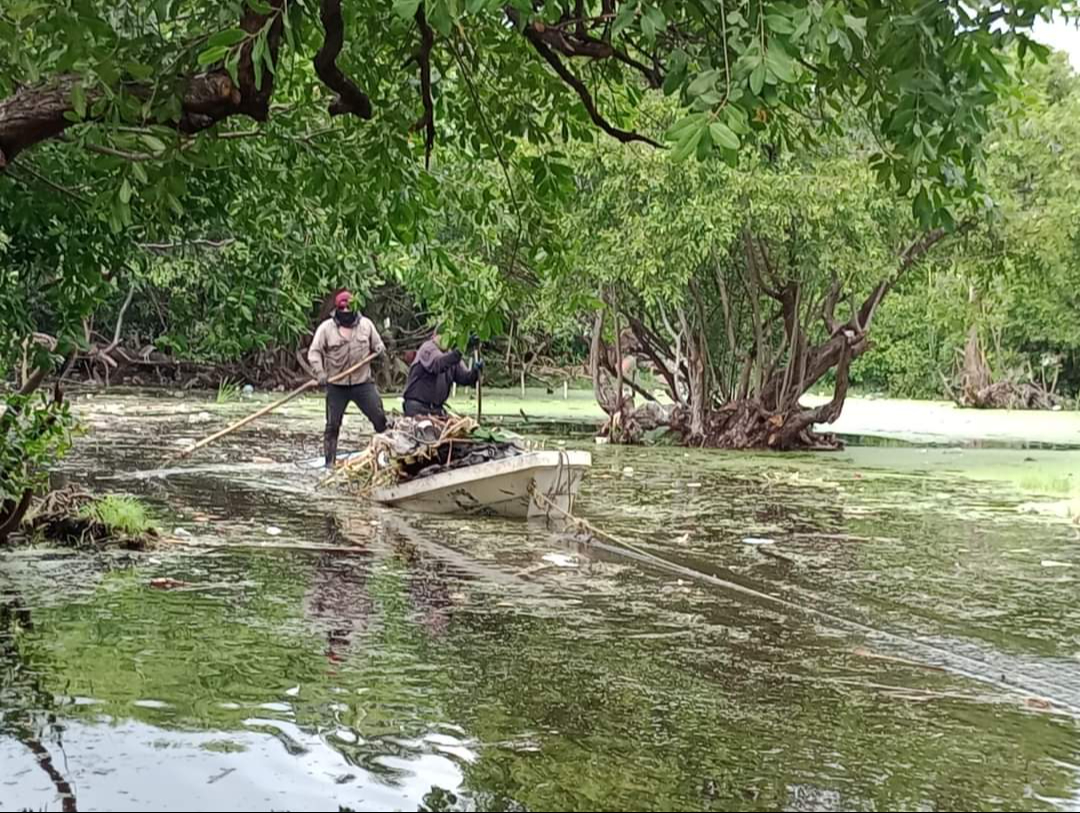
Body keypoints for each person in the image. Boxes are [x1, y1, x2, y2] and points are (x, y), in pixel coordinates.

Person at [308, 290, 388, 467]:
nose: (346, 314)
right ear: (337, 310)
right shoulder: (326, 328)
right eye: (342, 310)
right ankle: (329, 463)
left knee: (380, 419)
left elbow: (378, 344)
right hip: (337, 385)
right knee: (332, 426)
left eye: (349, 310)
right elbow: (314, 352)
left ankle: (388, 456)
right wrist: (320, 372)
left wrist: (380, 351)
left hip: (362, 384)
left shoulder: (366, 325)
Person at [402, 332, 482, 417]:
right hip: (417, 408)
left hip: (436, 410)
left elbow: (465, 378)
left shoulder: (451, 356)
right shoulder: (427, 349)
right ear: (434, 336)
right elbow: (439, 364)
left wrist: (476, 371)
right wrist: (462, 348)